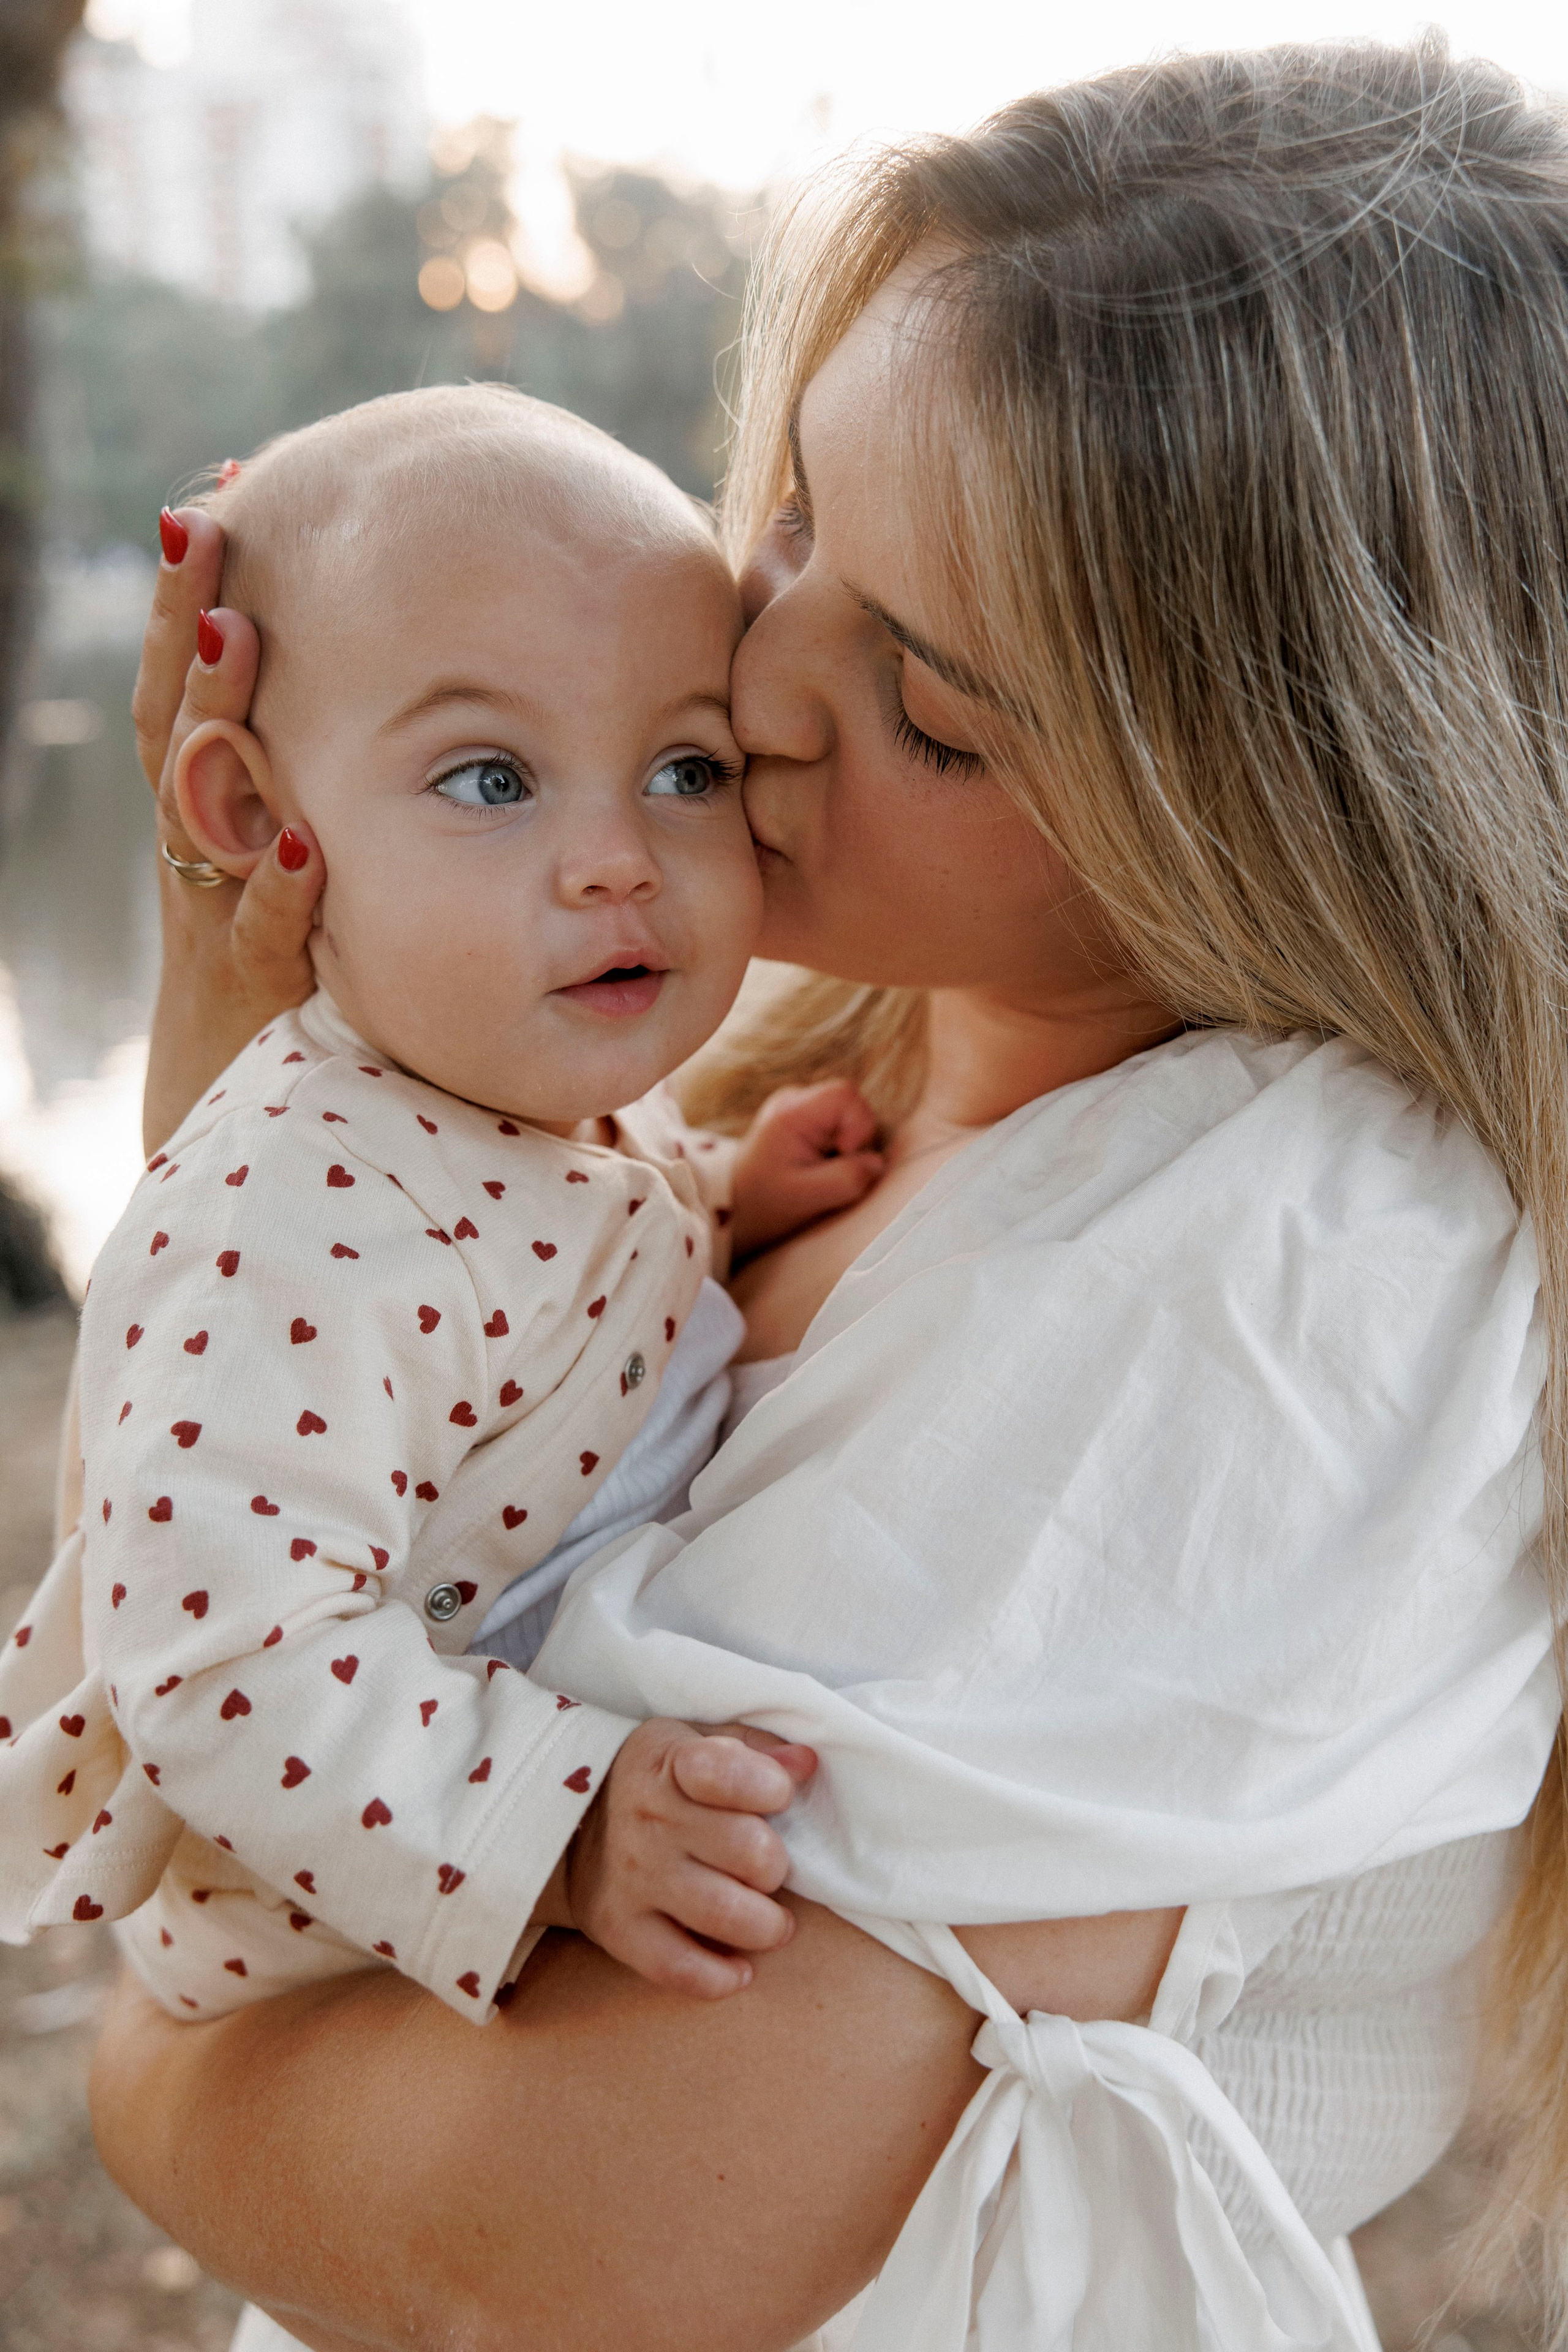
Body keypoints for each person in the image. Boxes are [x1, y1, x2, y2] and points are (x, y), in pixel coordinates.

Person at [84, 37, 1568, 2352]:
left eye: (934, 711)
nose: (759, 678)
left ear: (1276, 811)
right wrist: (266, 1039)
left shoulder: (1288, 1260)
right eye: (791, 520)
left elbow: (563, 2239)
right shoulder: (784, 1076)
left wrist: (166, 2066)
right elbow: (269, 1512)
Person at [0, 385, 889, 2033]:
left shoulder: (503, 1070)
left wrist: (716, 1197)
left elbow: (535, 1252)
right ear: (259, 822)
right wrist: (551, 1827)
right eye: (491, 780)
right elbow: (220, 1657)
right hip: (339, 1923)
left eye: (687, 765)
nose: (617, 859)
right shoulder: (275, 1219)